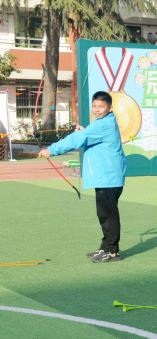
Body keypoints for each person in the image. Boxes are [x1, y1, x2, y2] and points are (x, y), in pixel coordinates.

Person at [38, 91, 126, 263]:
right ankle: (106, 246)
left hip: (108, 177)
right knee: (104, 214)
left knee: (108, 215)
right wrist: (86, 131)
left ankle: (113, 251)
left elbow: (77, 139)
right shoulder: (104, 122)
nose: (97, 110)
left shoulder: (102, 125)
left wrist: (51, 150)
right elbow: (90, 136)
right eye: (94, 106)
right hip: (107, 176)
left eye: (101, 107)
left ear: (110, 108)